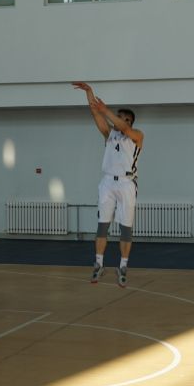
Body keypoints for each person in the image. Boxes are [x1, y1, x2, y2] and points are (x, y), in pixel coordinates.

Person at [72, 82, 143, 287]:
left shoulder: (137, 135)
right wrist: (89, 92)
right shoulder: (109, 134)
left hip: (127, 183)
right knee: (102, 225)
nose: (122, 121)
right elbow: (96, 113)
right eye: (120, 117)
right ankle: (99, 264)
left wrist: (107, 111)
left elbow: (122, 126)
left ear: (131, 123)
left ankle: (123, 266)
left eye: (126, 119)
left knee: (126, 229)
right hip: (108, 182)